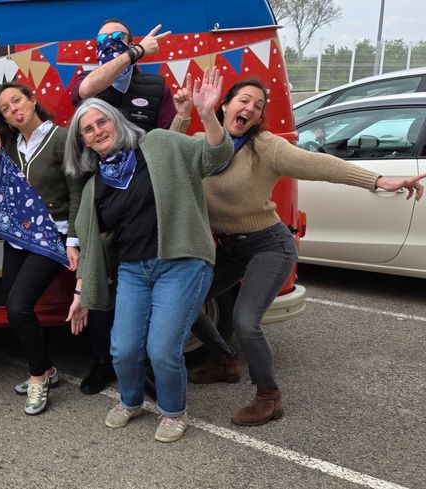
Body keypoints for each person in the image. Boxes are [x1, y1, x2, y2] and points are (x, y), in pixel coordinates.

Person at [171, 77, 426, 426]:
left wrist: (378, 181)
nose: (250, 108)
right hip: (229, 248)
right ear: (224, 105)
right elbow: (167, 155)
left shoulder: (266, 147)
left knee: (246, 321)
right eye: (244, 100)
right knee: (186, 302)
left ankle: (269, 397)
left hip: (269, 245)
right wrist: (183, 114)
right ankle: (224, 361)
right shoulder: (203, 145)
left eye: (258, 106)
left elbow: (320, 165)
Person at [64, 67, 233, 443]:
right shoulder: (95, 186)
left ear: (116, 121)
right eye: (88, 130)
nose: (97, 131)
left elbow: (215, 156)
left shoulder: (158, 144)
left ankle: (173, 411)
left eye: (101, 121)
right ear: (83, 142)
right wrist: (80, 293)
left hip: (181, 263)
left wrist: (207, 115)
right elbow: (90, 246)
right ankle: (131, 401)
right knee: (122, 349)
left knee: (162, 349)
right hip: (133, 271)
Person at [0, 82, 86, 415]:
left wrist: (73, 241)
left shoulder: (61, 139)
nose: (13, 109)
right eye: (5, 108)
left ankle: (38, 378)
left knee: (19, 307)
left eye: (17, 100)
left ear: (32, 100)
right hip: (18, 238)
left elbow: (77, 192)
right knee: (12, 307)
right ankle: (47, 368)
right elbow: (2, 186)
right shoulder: (11, 145)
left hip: (52, 237)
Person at [69, 19, 174, 131]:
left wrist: (183, 116)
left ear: (131, 45)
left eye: (118, 37)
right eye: (101, 39)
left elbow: (168, 135)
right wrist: (138, 50)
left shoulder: (157, 86)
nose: (109, 43)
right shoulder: (84, 79)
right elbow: (86, 91)